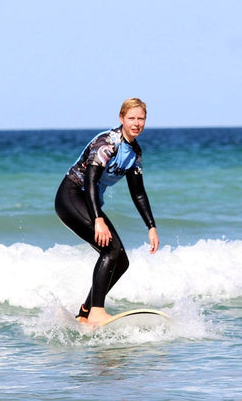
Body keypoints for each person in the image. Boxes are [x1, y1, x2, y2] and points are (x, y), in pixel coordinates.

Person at [55, 97, 159, 325]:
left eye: (141, 118)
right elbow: (90, 180)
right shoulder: (108, 143)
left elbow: (138, 192)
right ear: (121, 118)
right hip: (71, 197)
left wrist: (151, 226)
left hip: (87, 203)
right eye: (131, 118)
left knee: (121, 261)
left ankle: (85, 312)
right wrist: (98, 219)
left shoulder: (134, 152)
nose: (136, 123)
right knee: (111, 250)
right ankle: (96, 311)